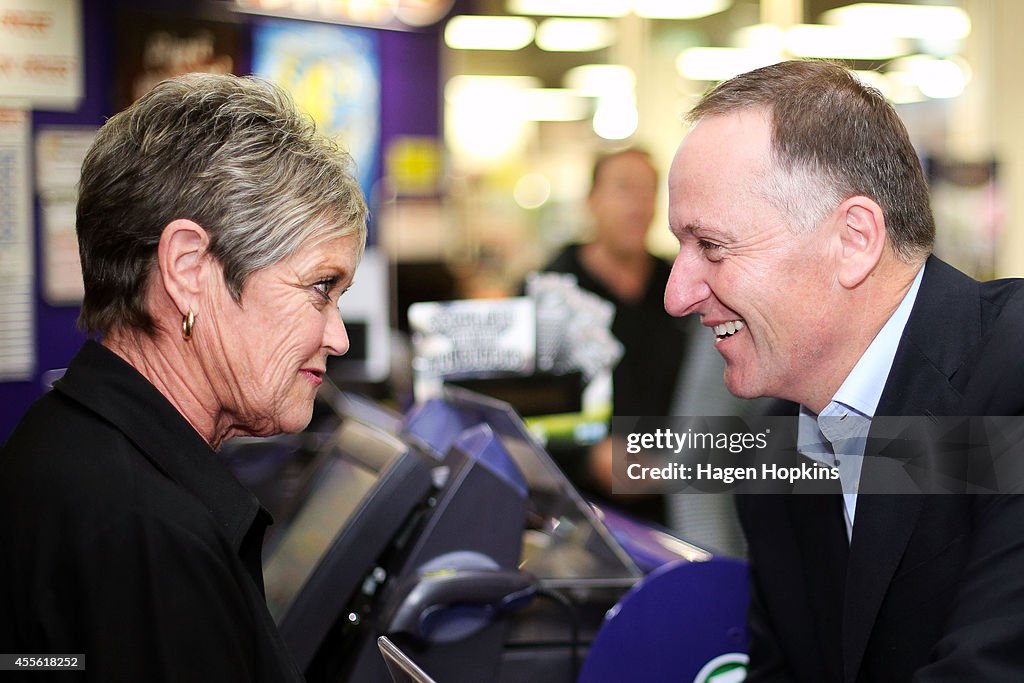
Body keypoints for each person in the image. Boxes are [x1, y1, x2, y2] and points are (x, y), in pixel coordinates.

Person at [663, 60, 1024, 681]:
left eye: (712, 247)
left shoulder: (1013, 375)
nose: (677, 293)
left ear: (855, 238)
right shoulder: (779, 456)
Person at [0, 73, 367, 681]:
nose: (339, 337)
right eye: (320, 288)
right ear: (190, 269)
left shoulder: (67, 443)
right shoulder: (149, 535)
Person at [542, 147, 691, 525]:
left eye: (649, 191)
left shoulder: (684, 287)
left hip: (675, 509)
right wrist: (586, 456)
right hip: (577, 515)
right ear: (591, 201)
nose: (638, 205)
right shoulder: (550, 291)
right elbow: (526, 411)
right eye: (624, 189)